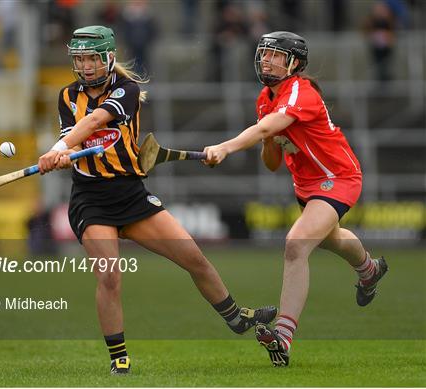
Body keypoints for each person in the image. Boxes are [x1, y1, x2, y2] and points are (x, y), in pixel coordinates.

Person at [37, 25, 276, 375]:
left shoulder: (126, 89)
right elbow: (74, 136)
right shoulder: (67, 96)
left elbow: (95, 121)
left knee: (194, 258)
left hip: (131, 194)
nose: (86, 66)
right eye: (80, 59)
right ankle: (119, 357)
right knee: (110, 276)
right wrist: (61, 155)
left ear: (107, 58)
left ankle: (236, 317)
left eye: (92, 58)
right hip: (91, 200)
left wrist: (59, 149)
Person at [203, 31, 389, 367]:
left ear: (294, 64)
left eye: (275, 55)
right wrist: (269, 142)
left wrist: (225, 147)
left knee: (296, 244)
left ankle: (283, 336)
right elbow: (272, 163)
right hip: (306, 186)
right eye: (264, 54)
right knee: (332, 240)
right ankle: (369, 269)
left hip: (338, 178)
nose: (266, 60)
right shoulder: (265, 98)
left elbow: (264, 128)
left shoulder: (300, 92)